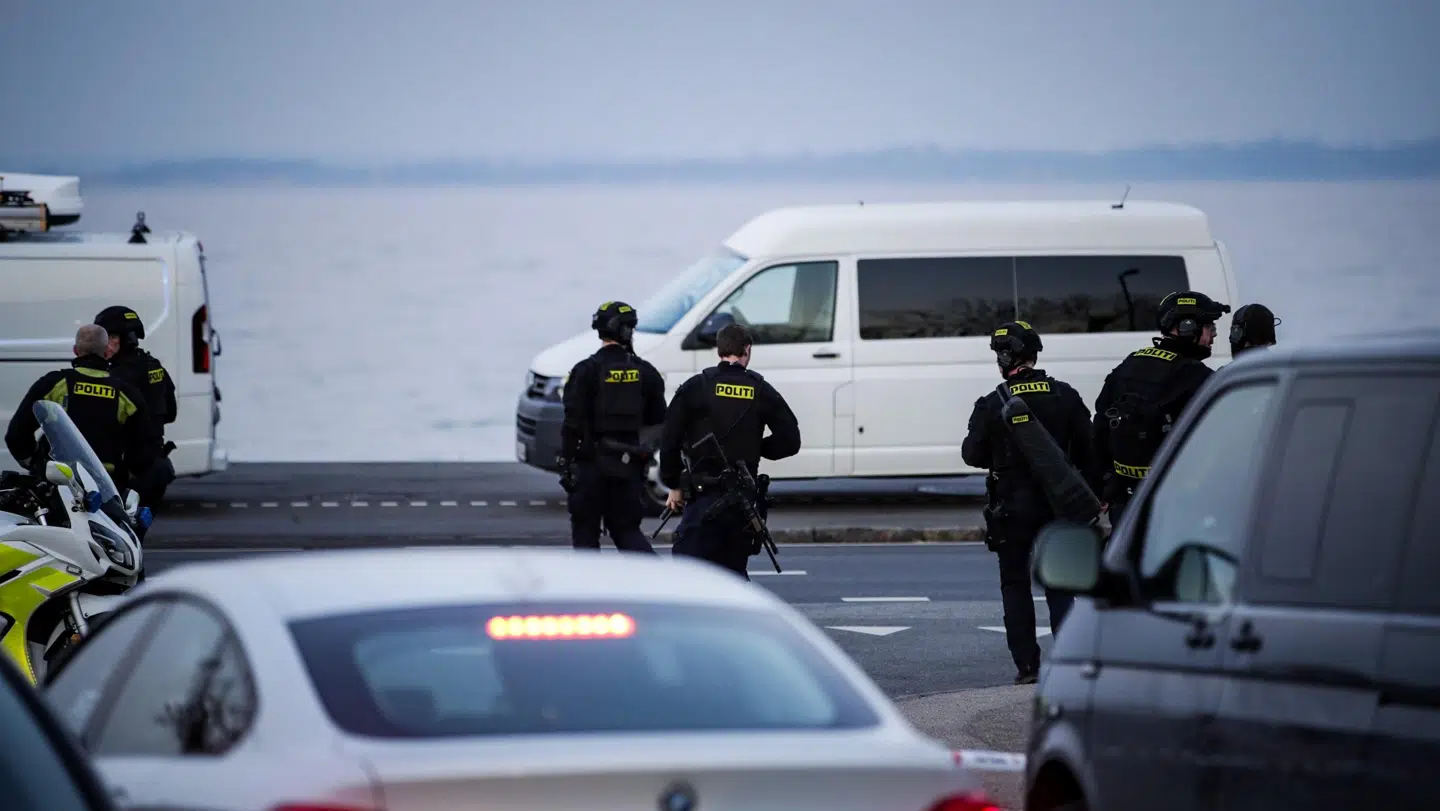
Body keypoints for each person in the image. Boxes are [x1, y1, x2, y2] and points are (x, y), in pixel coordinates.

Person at [962, 320, 1099, 685]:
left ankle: (1027, 667)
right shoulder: (1065, 395)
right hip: (1061, 507)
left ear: (1006, 358)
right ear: (1034, 354)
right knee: (1061, 586)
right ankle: (1068, 661)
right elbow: (1090, 452)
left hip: (1012, 511)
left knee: (1015, 586)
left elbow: (971, 455)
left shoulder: (993, 403)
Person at [658, 323, 800, 580]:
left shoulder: (696, 387)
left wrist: (674, 483)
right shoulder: (760, 389)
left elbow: (669, 439)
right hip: (741, 503)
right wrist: (757, 449)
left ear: (719, 350)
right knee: (734, 575)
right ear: (747, 350)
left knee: (684, 575)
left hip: (701, 498)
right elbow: (791, 441)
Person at [1093, 290, 1230, 523]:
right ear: (1187, 327)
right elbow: (1217, 445)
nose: (1213, 336)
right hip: (1173, 506)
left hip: (1125, 503)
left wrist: (1107, 483)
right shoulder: (1195, 376)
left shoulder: (1129, 364)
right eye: (1210, 328)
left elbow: (1099, 427)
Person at [558, 301, 668, 553]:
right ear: (627, 331)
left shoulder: (584, 372)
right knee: (627, 531)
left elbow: (571, 424)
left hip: (589, 470)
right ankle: (659, 585)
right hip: (628, 469)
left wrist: (566, 467)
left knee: (585, 535)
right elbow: (659, 421)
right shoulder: (646, 372)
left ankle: (592, 591)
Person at [5, 324, 157, 492]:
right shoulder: (127, 394)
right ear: (107, 352)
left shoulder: (53, 384)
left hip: (56, 484)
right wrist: (126, 475)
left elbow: (16, 434)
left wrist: (33, 462)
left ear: (76, 350)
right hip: (106, 486)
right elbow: (145, 447)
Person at [94, 305, 177, 509]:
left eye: (107, 337)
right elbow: (171, 413)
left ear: (121, 339)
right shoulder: (154, 365)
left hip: (131, 472)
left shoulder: (117, 377)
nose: (103, 344)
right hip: (156, 466)